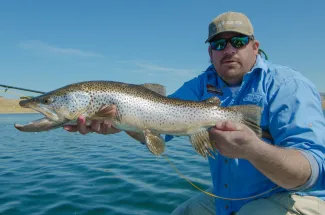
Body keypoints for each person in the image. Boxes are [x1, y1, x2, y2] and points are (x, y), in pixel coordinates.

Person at [64, 11, 325, 215]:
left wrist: (253, 149)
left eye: (238, 41)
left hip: (299, 197)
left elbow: (313, 172)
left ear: (255, 47)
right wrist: (122, 123)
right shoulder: (199, 86)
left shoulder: (289, 86)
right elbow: (158, 130)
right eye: (219, 44)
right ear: (210, 52)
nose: (229, 49)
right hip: (231, 199)